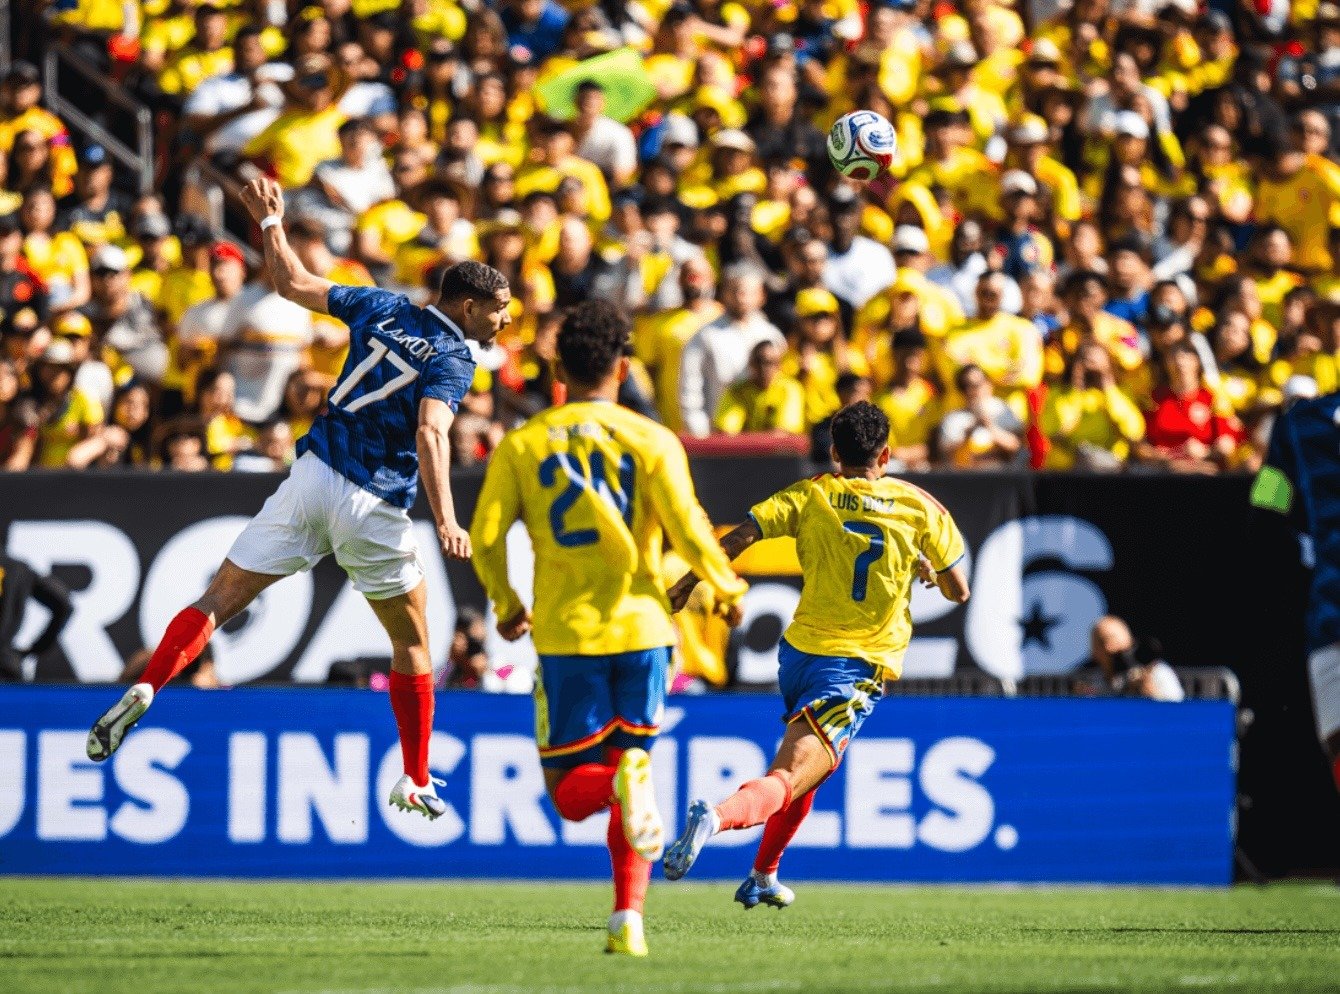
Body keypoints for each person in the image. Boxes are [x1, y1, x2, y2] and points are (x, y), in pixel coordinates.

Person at [86, 178, 512, 830]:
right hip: (373, 506)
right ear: (468, 303)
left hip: (311, 477)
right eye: (497, 308)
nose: (505, 319)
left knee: (216, 600)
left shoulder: (381, 305)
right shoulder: (455, 355)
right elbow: (431, 432)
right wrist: (448, 518)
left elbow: (292, 283)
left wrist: (270, 225)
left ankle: (149, 685)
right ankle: (417, 776)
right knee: (415, 644)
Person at [470, 299, 747, 956]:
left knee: (571, 794)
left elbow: (484, 538)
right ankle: (628, 918)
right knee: (634, 773)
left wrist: (507, 604)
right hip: (647, 633)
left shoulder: (524, 443)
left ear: (559, 369)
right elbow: (690, 529)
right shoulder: (653, 439)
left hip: (569, 636)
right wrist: (729, 588)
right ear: (624, 367)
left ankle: (628, 891)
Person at [660, 401, 969, 904]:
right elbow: (960, 591)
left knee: (814, 769)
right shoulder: (919, 506)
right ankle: (715, 818)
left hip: (800, 655)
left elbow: (737, 538)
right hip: (854, 665)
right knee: (788, 776)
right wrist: (926, 571)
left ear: (833, 452)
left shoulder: (810, 495)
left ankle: (763, 874)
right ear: (887, 453)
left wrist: (685, 585)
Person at [1253, 390, 1340, 797]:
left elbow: (1266, 508)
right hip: (1331, 620)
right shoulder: (1297, 425)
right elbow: (1267, 505)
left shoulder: (1296, 423)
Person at [0, 552, 73, 681]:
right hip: (6, 667)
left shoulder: (19, 569)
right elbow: (64, 604)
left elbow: (64, 605)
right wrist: (38, 648)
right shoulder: (19, 568)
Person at [1079, 615, 1184, 702]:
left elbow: (1177, 712)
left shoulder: (1158, 672)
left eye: (1113, 639)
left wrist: (1151, 693)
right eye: (1101, 642)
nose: (1109, 648)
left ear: (1129, 642)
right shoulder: (1096, 681)